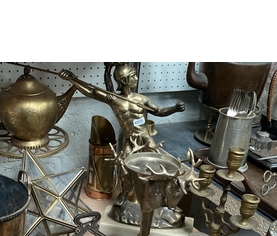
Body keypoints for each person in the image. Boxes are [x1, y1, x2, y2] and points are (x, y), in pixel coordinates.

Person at [60, 63, 187, 227]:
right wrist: (72, 79)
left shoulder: (141, 99)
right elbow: (91, 91)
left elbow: (159, 111)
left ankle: (160, 202)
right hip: (129, 139)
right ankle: (128, 197)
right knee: (125, 170)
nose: (136, 78)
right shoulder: (114, 99)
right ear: (125, 80)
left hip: (145, 138)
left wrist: (174, 109)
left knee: (158, 165)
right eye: (133, 76)